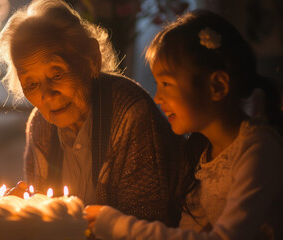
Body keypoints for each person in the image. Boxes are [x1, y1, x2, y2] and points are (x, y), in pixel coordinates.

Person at [85, 9, 283, 240]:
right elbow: (190, 232)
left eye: (166, 84)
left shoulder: (258, 149)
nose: (157, 98)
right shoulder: (203, 155)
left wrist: (118, 225)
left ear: (217, 86)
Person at [0, 0, 184, 226]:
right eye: (32, 84)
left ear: (92, 58)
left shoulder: (130, 112)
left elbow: (147, 222)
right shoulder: (39, 126)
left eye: (56, 75)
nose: (47, 95)